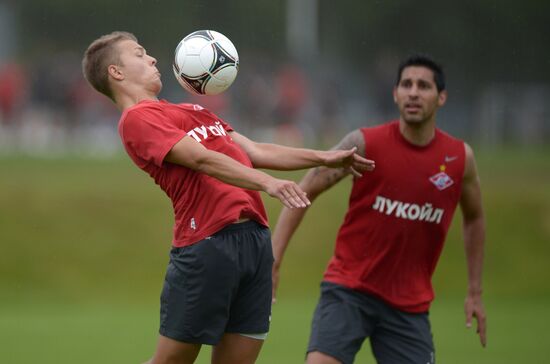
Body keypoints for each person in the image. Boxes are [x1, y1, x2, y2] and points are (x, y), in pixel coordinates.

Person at [81, 31, 374, 364]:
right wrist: (267, 183)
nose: (151, 59)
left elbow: (255, 150)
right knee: (172, 361)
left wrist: (324, 157)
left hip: (255, 243)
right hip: (207, 245)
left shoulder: (193, 110)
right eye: (138, 54)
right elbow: (200, 159)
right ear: (116, 73)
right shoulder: (137, 120)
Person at [272, 54, 486, 364]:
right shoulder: (363, 143)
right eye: (406, 84)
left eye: (423, 86)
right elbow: (303, 191)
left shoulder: (458, 159)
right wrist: (274, 259)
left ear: (441, 98)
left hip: (408, 306)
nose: (413, 92)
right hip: (348, 290)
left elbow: (475, 217)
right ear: (395, 94)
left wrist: (475, 290)